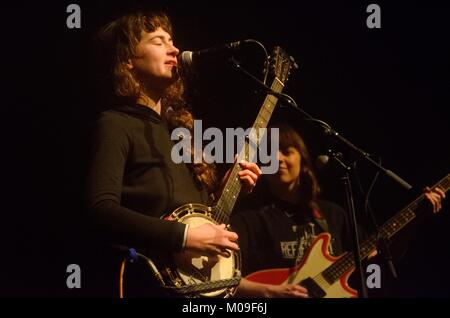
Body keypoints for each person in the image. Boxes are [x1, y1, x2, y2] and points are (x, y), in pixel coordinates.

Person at [84, 11, 261, 297]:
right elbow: (100, 210)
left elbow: (197, 215)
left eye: (172, 40)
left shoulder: (180, 134)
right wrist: (183, 237)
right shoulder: (115, 124)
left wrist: (233, 186)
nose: (175, 48)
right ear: (128, 60)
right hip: (145, 286)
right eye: (158, 41)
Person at [230, 124, 445, 298]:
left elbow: (375, 261)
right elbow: (219, 280)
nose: (278, 158)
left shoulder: (333, 214)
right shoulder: (251, 220)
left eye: (286, 151)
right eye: (269, 153)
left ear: (303, 160)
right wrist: (270, 292)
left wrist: (415, 220)